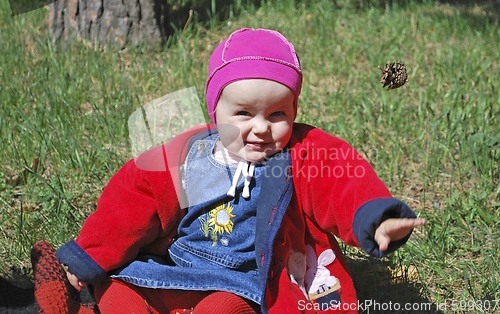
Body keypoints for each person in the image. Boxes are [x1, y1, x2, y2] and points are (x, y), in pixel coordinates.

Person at [31, 28, 426, 314]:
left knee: (222, 310)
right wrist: (88, 257)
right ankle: (79, 297)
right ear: (214, 110)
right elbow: (132, 202)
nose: (260, 127)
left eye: (278, 114)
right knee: (120, 296)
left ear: (294, 112)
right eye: (242, 113)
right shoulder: (190, 154)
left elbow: (341, 179)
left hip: (240, 282)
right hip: (173, 266)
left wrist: (376, 218)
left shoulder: (298, 154)